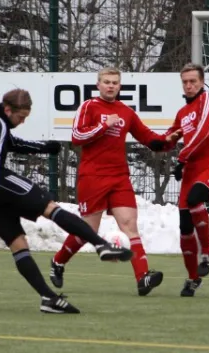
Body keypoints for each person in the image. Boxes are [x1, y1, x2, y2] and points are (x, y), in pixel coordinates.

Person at [0, 88, 133, 314]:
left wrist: (43, 147)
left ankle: (48, 298)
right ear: (7, 109)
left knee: (18, 243)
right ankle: (101, 244)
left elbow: (10, 144)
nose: (21, 122)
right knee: (50, 208)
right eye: (20, 117)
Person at [49, 67, 173, 296]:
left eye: (115, 82)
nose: (110, 85)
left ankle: (142, 278)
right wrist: (104, 125)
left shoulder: (125, 111)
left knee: (129, 225)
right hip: (92, 176)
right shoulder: (89, 106)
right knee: (88, 229)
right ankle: (58, 262)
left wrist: (168, 140)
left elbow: (146, 136)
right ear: (98, 84)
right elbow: (77, 137)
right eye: (106, 81)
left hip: (119, 176)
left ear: (119, 86)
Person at [163, 63, 209, 297]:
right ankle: (193, 278)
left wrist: (181, 158)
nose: (189, 85)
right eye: (185, 82)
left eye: (193, 81)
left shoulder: (208, 100)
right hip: (191, 170)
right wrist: (157, 141)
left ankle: (208, 253)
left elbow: (202, 133)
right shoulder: (182, 113)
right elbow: (169, 137)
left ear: (202, 82)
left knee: (195, 199)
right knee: (184, 228)